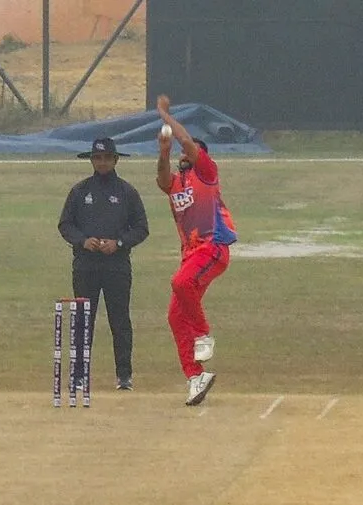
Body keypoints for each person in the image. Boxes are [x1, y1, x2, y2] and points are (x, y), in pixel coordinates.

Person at [154, 94, 236, 407]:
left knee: (180, 282)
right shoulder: (177, 182)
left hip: (213, 248)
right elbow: (163, 179)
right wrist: (163, 152)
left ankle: (203, 333)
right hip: (192, 256)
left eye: (188, 151)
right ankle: (195, 377)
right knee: (175, 316)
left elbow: (187, 141)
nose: (183, 153)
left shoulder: (207, 172)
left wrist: (164, 115)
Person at [57, 136, 151, 391]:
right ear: (91, 160)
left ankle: (124, 376)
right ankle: (79, 375)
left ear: (115, 160)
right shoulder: (80, 191)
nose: (102, 163)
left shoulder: (126, 192)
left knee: (119, 321)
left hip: (116, 266)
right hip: (85, 266)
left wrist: (118, 243)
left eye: (107, 158)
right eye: (97, 158)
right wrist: (83, 241)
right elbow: (65, 224)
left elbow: (141, 228)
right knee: (82, 320)